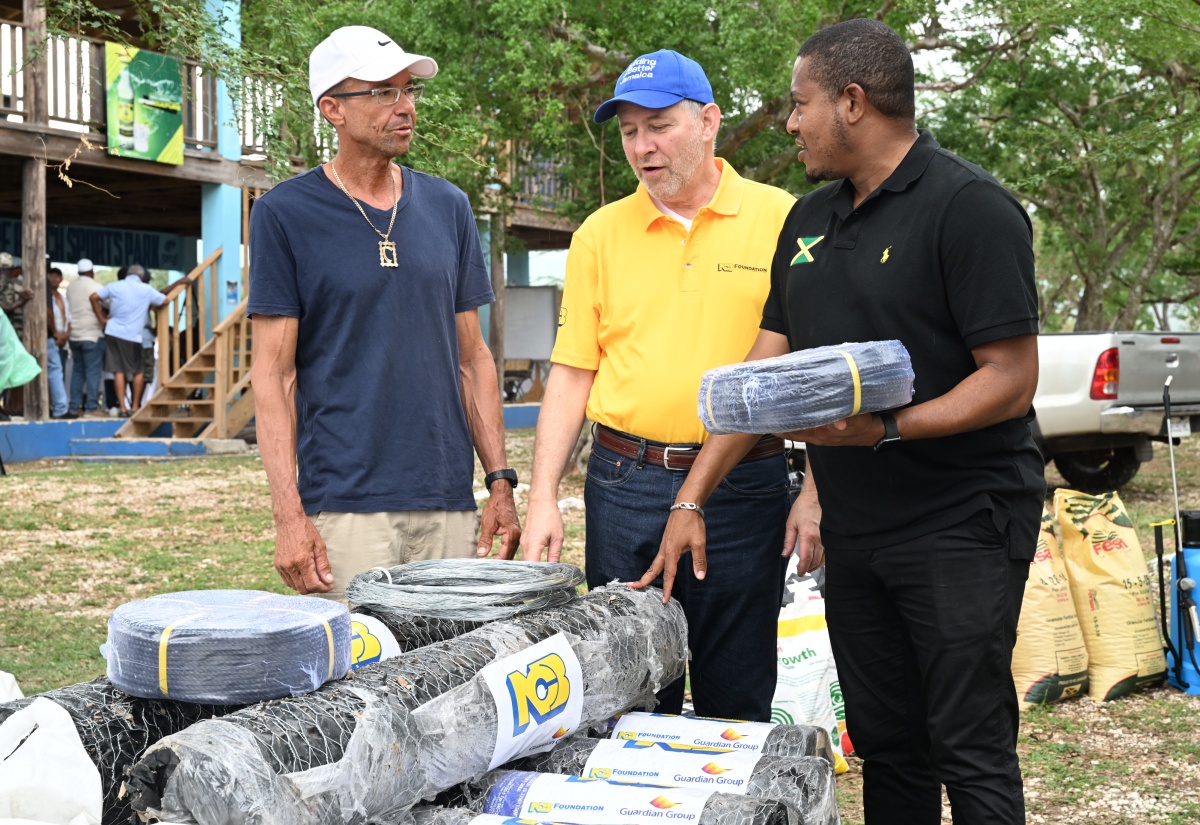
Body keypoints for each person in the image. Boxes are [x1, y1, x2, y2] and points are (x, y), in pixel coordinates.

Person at [652, 19, 1043, 825]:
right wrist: (692, 499)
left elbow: (1010, 379)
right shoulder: (807, 222)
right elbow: (759, 383)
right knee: (888, 742)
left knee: (968, 744)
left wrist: (889, 431)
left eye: (800, 105)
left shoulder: (970, 209)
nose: (790, 123)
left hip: (962, 521)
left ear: (853, 103)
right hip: (858, 531)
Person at [520, 50, 797, 722]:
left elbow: (818, 363)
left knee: (735, 692)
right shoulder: (598, 235)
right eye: (628, 133)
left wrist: (817, 489)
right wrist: (542, 498)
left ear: (708, 121)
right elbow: (572, 372)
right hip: (626, 483)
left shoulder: (781, 217)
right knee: (632, 692)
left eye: (659, 126)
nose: (642, 148)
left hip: (744, 483)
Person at [248, 26, 521, 601]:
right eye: (381, 92)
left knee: (455, 680)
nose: (404, 106)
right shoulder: (283, 214)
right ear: (332, 110)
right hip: (346, 508)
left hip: (448, 499)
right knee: (358, 683)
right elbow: (274, 374)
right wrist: (287, 516)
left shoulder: (449, 207)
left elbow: (473, 359)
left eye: (407, 91)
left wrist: (500, 483)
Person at [90, 264, 167, 416]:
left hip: (113, 332)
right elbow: (164, 301)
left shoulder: (115, 286)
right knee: (138, 370)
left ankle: (123, 409)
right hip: (132, 336)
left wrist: (102, 320)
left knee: (119, 371)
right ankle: (136, 407)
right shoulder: (146, 289)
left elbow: (93, 297)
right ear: (142, 276)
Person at [66, 258, 108, 417]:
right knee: (93, 371)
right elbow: (108, 304)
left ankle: (74, 405)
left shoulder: (70, 287)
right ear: (92, 271)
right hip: (92, 333)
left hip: (75, 334)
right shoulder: (96, 287)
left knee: (78, 370)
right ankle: (91, 406)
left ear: (78, 272)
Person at [45, 267, 71, 418]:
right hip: (52, 337)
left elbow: (69, 319)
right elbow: (48, 314)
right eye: (51, 276)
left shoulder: (63, 298)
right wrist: (55, 334)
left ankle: (58, 407)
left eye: (57, 276)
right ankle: (58, 408)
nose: (54, 279)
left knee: (57, 374)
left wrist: (65, 335)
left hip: (62, 340)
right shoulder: (46, 295)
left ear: (61, 279)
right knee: (53, 372)